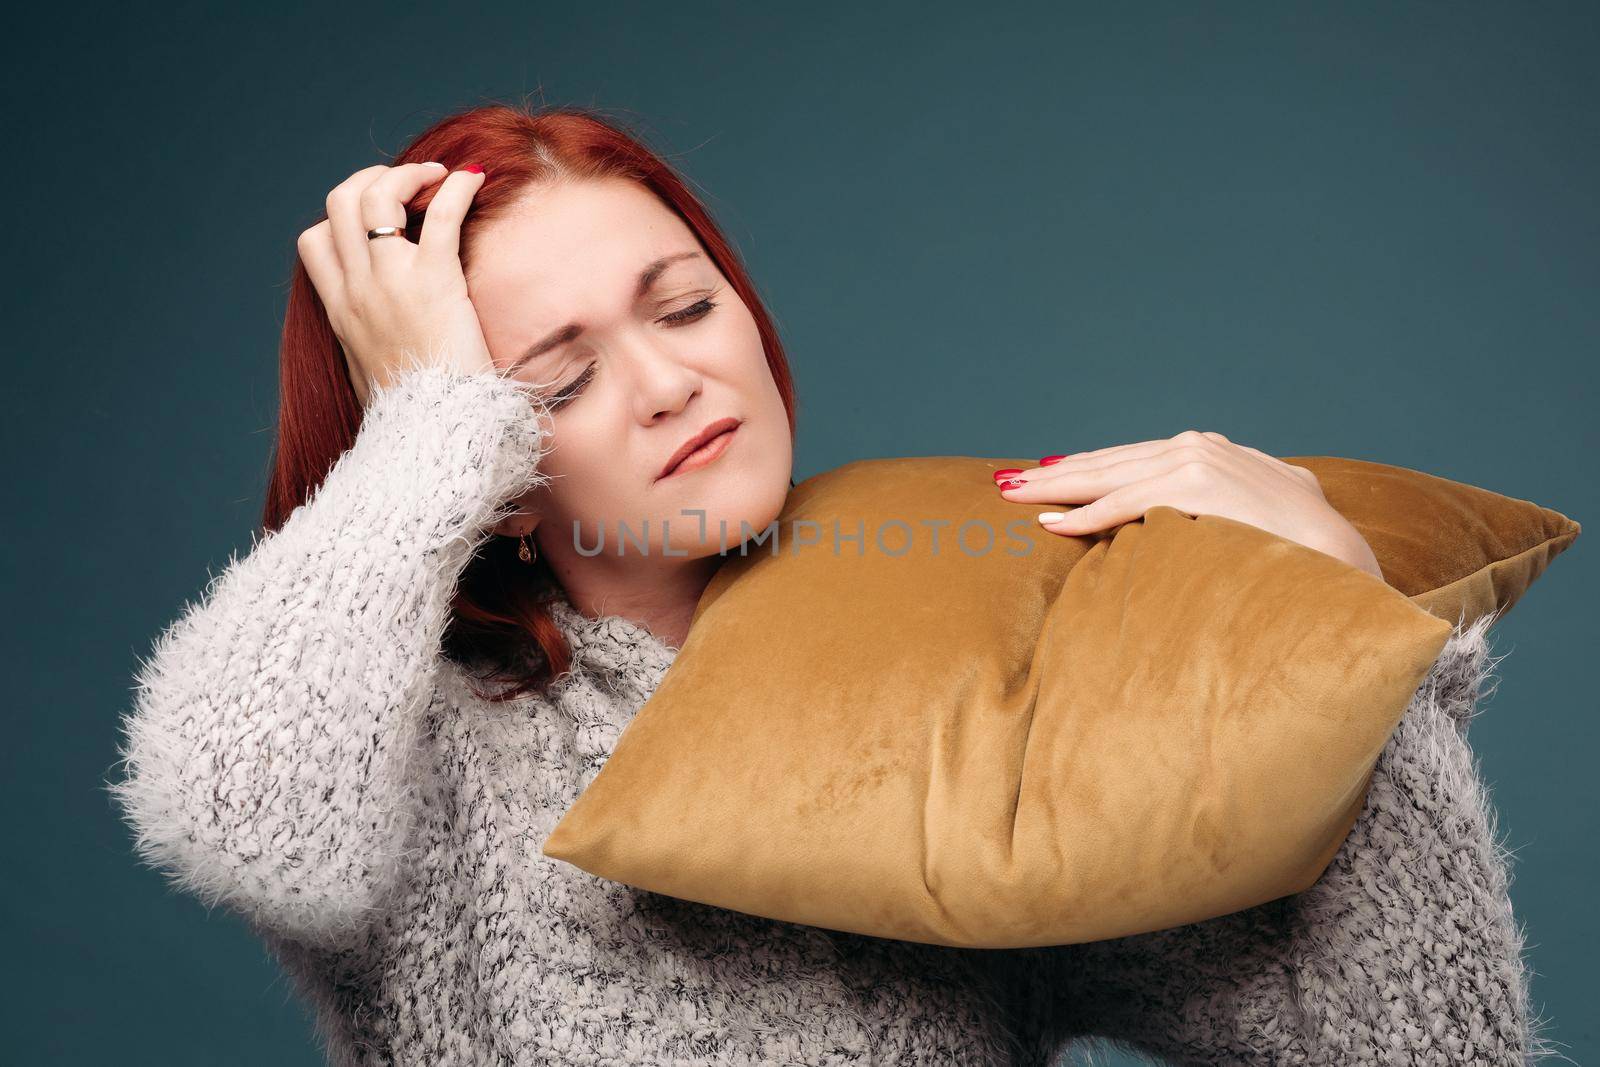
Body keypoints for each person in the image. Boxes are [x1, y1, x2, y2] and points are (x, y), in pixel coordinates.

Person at [108, 103, 1549, 1065]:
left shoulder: (961, 662)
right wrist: (428, 418)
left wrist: (1350, 632)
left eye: (686, 305)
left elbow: (1429, 1042)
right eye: (557, 379)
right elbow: (246, 818)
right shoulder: (428, 738)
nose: (675, 380)